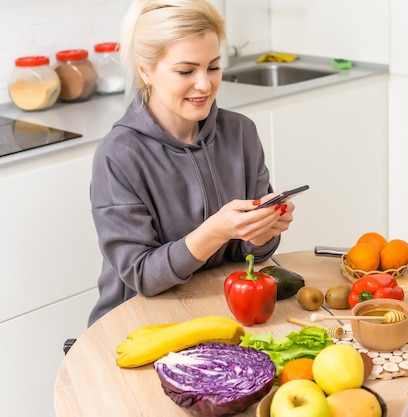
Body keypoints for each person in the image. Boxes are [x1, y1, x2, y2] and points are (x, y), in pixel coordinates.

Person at [87, 0, 295, 326]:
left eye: (213, 67)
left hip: (218, 312)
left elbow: (252, 256)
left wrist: (260, 233)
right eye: (186, 71)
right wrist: (215, 231)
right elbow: (142, 275)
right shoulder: (119, 155)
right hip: (137, 325)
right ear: (146, 70)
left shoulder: (240, 132)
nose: (204, 84)